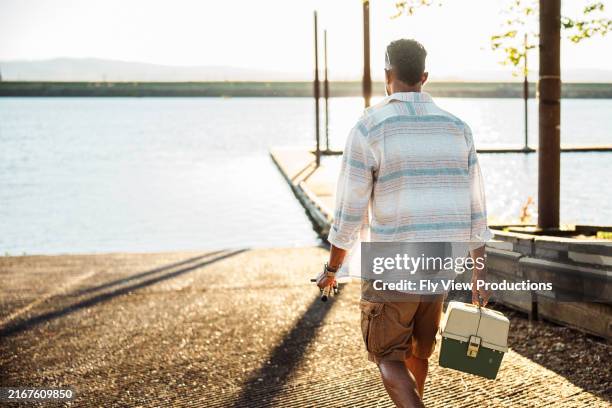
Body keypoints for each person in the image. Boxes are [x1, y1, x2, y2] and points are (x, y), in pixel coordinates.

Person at [316, 39, 492, 407]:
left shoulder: (370, 127)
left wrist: (332, 267)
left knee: (388, 356)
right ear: (424, 77)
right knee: (418, 353)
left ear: (387, 76)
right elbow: (477, 208)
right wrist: (479, 272)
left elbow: (350, 210)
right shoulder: (458, 128)